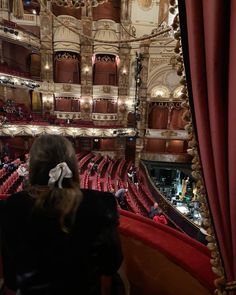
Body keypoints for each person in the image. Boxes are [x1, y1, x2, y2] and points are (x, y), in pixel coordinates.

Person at [0, 135, 123, 295]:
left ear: (34, 167)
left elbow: (12, 279)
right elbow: (112, 264)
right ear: (72, 165)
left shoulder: (12, 207)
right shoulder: (101, 203)